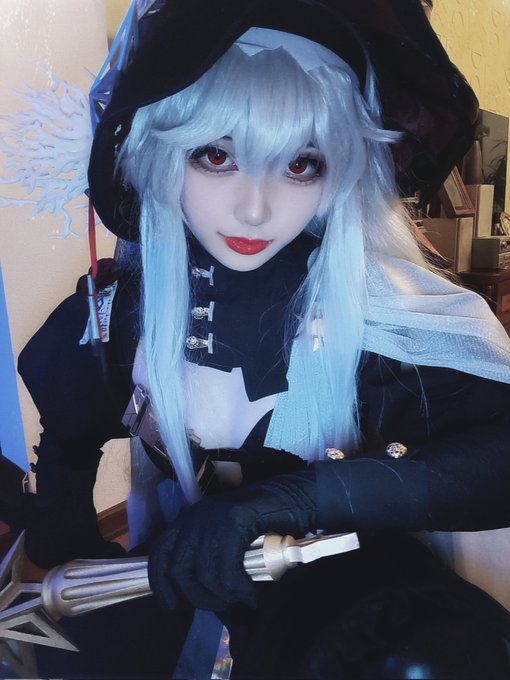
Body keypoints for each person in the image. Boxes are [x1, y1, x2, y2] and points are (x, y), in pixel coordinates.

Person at [17, 0, 510, 677]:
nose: (255, 208)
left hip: (348, 601)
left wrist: (295, 499)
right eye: (216, 155)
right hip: (181, 582)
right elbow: (64, 495)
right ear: (158, 152)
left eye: (301, 164)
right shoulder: (113, 320)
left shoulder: (384, 314)